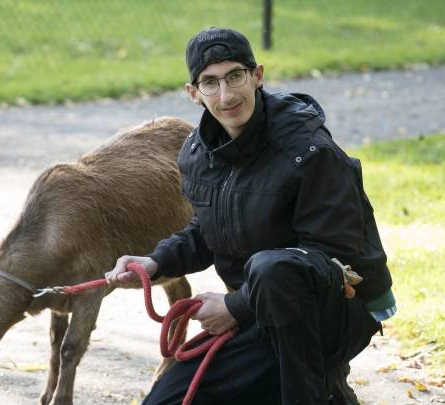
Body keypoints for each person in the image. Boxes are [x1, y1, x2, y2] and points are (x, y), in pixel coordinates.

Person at [105, 27, 396, 405]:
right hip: (259, 314)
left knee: (272, 268)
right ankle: (324, 390)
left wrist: (234, 307)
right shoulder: (197, 153)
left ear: (257, 76)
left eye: (234, 76)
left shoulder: (308, 149)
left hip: (336, 312)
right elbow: (207, 229)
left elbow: (335, 257)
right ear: (193, 93)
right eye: (210, 83)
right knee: (167, 401)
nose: (225, 96)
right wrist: (157, 262)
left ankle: (314, 390)